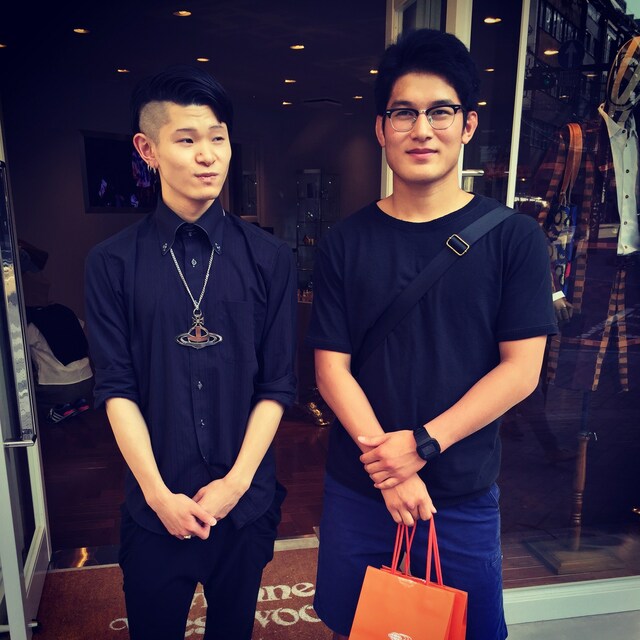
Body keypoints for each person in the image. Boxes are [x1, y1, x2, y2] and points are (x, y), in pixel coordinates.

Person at [305, 28, 557, 640]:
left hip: (460, 493)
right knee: (357, 630)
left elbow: (521, 371)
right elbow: (330, 370)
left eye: (441, 112)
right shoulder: (344, 243)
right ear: (381, 128)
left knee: (461, 631)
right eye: (404, 113)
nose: (422, 129)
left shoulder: (514, 238)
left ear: (468, 125)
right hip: (361, 489)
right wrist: (390, 469)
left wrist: (421, 446)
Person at [84, 65, 297, 639]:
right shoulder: (112, 263)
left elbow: (277, 385)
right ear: (147, 150)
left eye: (218, 138)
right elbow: (116, 388)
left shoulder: (270, 258)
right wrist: (159, 497)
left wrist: (235, 484)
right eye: (186, 139)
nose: (208, 156)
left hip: (244, 504)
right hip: (155, 509)